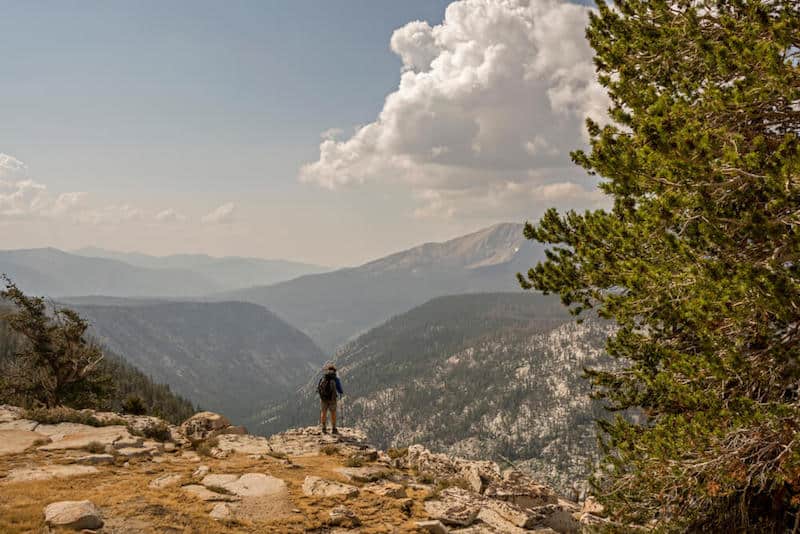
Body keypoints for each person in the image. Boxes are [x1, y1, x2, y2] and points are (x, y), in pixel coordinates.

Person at [317, 362, 343, 434]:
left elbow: (319, 387)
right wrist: (341, 392)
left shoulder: (323, 378)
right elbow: (340, 389)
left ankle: (323, 428)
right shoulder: (335, 379)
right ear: (335, 371)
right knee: (333, 413)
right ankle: (334, 429)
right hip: (332, 399)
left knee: (323, 412)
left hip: (323, 399)